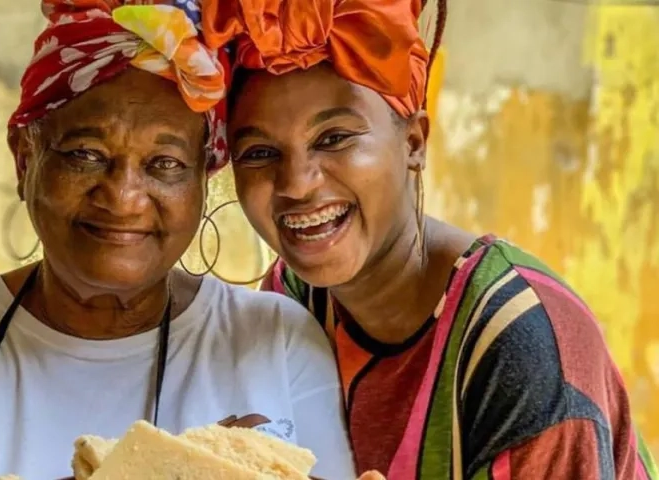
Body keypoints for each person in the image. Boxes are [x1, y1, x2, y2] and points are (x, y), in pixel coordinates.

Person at [0, 2, 358, 479]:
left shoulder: (277, 342)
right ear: (25, 158)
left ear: (201, 178)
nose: (124, 197)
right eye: (85, 154)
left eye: (166, 164)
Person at [201, 0, 659, 478]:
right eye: (259, 152)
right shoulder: (295, 297)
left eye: (334, 138)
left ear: (414, 143)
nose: (296, 183)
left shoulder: (519, 346)